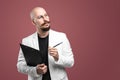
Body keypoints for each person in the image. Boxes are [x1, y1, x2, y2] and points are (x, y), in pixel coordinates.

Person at [17, 7, 74, 80]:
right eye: (40, 17)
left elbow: (70, 62)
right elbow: (20, 66)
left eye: (46, 15)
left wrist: (58, 57)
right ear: (33, 22)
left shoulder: (62, 37)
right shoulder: (26, 41)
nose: (46, 19)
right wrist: (35, 70)